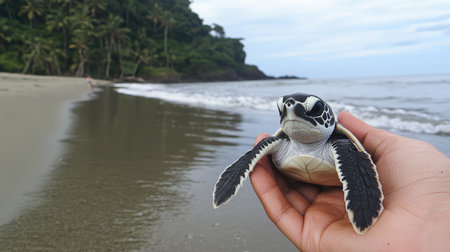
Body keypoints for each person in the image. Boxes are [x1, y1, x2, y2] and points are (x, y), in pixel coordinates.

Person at [250, 111, 450, 252]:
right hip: (300, 181)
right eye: (285, 109)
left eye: (314, 110)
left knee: (345, 150)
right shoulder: (281, 143)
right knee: (258, 154)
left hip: (331, 182)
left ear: (328, 117)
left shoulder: (342, 144)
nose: (293, 112)